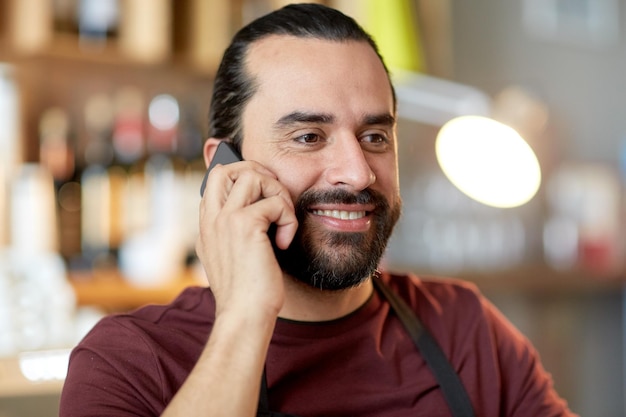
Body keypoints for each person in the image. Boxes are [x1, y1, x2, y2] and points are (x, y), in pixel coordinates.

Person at [59, 3, 578, 417]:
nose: (357, 172)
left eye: (375, 136)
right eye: (308, 137)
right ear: (224, 170)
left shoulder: (467, 331)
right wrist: (244, 317)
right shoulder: (128, 364)